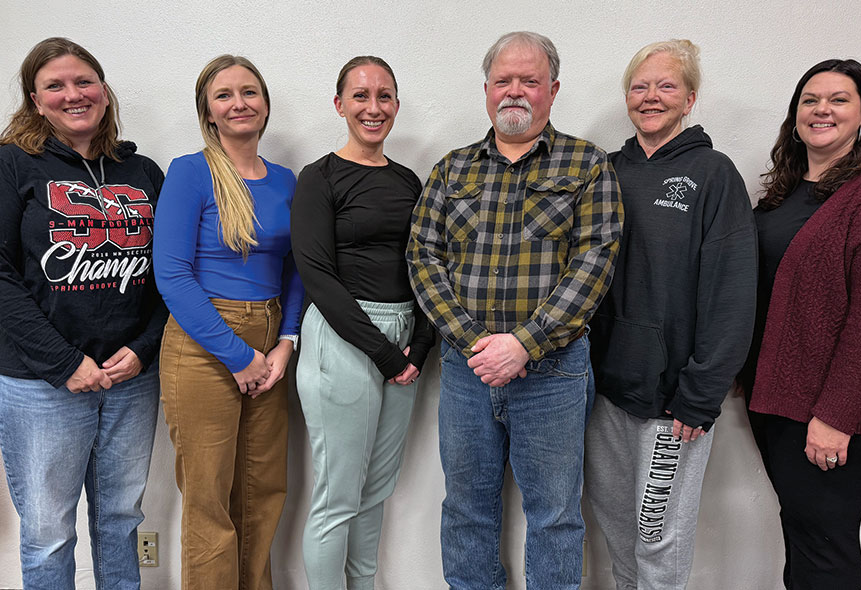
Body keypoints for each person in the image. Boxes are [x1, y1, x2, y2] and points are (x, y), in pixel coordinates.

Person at [407, 31, 623, 590]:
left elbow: (594, 262)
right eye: (503, 81)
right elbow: (424, 257)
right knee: (466, 510)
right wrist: (477, 343)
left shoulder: (588, 165)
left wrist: (524, 343)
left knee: (554, 517)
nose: (515, 92)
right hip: (466, 372)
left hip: (553, 374)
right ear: (486, 91)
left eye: (529, 81)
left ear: (553, 89)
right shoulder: (451, 170)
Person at [583, 40, 756, 590]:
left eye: (666, 86)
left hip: (674, 403)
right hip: (605, 392)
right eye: (640, 86)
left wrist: (701, 393)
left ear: (689, 98)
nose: (651, 96)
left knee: (657, 535)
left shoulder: (712, 173)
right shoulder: (605, 171)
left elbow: (732, 291)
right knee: (617, 531)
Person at [0, 37, 166, 589]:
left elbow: (170, 275)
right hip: (41, 383)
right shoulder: (11, 163)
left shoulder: (142, 170)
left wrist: (143, 352)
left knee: (121, 522)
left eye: (84, 81)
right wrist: (65, 362)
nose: (73, 94)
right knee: (49, 533)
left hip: (130, 381)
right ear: (35, 99)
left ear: (103, 89)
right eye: (56, 85)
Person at [742, 59, 861, 590]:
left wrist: (835, 416)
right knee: (806, 534)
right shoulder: (784, 192)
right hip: (779, 400)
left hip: (833, 410)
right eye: (810, 100)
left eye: (838, 99)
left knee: (825, 545)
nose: (821, 109)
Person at [153, 55, 303, 590]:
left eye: (249, 92)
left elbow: (297, 268)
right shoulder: (190, 172)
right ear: (208, 112)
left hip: (271, 337)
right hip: (203, 344)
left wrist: (285, 343)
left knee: (263, 490)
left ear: (265, 106)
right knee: (209, 498)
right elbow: (171, 275)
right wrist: (238, 357)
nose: (239, 103)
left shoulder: (287, 180)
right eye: (224, 95)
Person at [291, 55, 434, 590]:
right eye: (360, 96)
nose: (373, 108)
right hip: (344, 339)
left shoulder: (408, 180)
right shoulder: (319, 178)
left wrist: (418, 347)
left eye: (384, 96)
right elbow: (318, 277)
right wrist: (386, 354)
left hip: (403, 343)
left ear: (396, 105)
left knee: (374, 493)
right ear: (339, 105)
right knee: (338, 498)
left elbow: (426, 267)